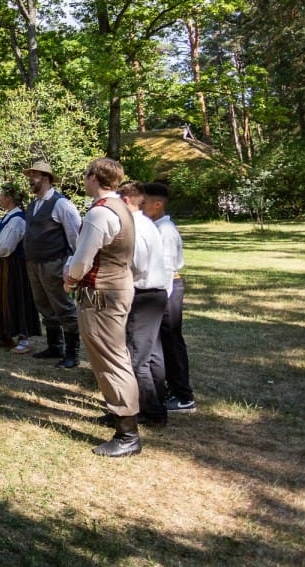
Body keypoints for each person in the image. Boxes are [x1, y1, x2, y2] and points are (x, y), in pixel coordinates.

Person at [63, 158, 139, 458]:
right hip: (114, 287)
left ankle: (128, 433)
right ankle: (117, 412)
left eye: (86, 175)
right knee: (107, 355)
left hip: (102, 293)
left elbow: (83, 259)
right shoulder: (120, 206)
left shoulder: (101, 213)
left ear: (94, 177)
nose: (84, 180)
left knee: (111, 357)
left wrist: (70, 279)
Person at [116, 181, 171, 426]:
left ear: (126, 200)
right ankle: (145, 404)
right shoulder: (145, 224)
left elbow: (137, 264)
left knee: (136, 358)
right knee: (144, 355)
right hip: (151, 294)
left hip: (144, 294)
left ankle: (153, 411)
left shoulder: (137, 226)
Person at [22, 160, 83, 367]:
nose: (30, 179)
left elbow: (76, 236)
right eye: (30, 175)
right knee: (44, 305)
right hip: (34, 263)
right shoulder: (33, 204)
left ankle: (72, 353)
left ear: (46, 178)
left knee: (63, 306)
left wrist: (72, 264)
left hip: (54, 263)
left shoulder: (61, 204)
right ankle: (54, 346)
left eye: (35, 175)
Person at [142, 182, 196, 414]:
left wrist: (160, 300)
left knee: (172, 341)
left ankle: (184, 396)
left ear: (158, 204)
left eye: (144, 203)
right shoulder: (155, 227)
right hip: (163, 288)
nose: (141, 207)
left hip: (168, 288)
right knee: (162, 342)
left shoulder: (166, 231)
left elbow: (165, 267)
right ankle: (167, 388)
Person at [0, 186, 42, 352]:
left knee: (18, 298)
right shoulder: (9, 216)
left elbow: (8, 243)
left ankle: (23, 339)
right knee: (6, 298)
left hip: (15, 265)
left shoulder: (17, 218)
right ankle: (6, 335)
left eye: (1, 196)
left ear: (9, 198)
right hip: (7, 263)